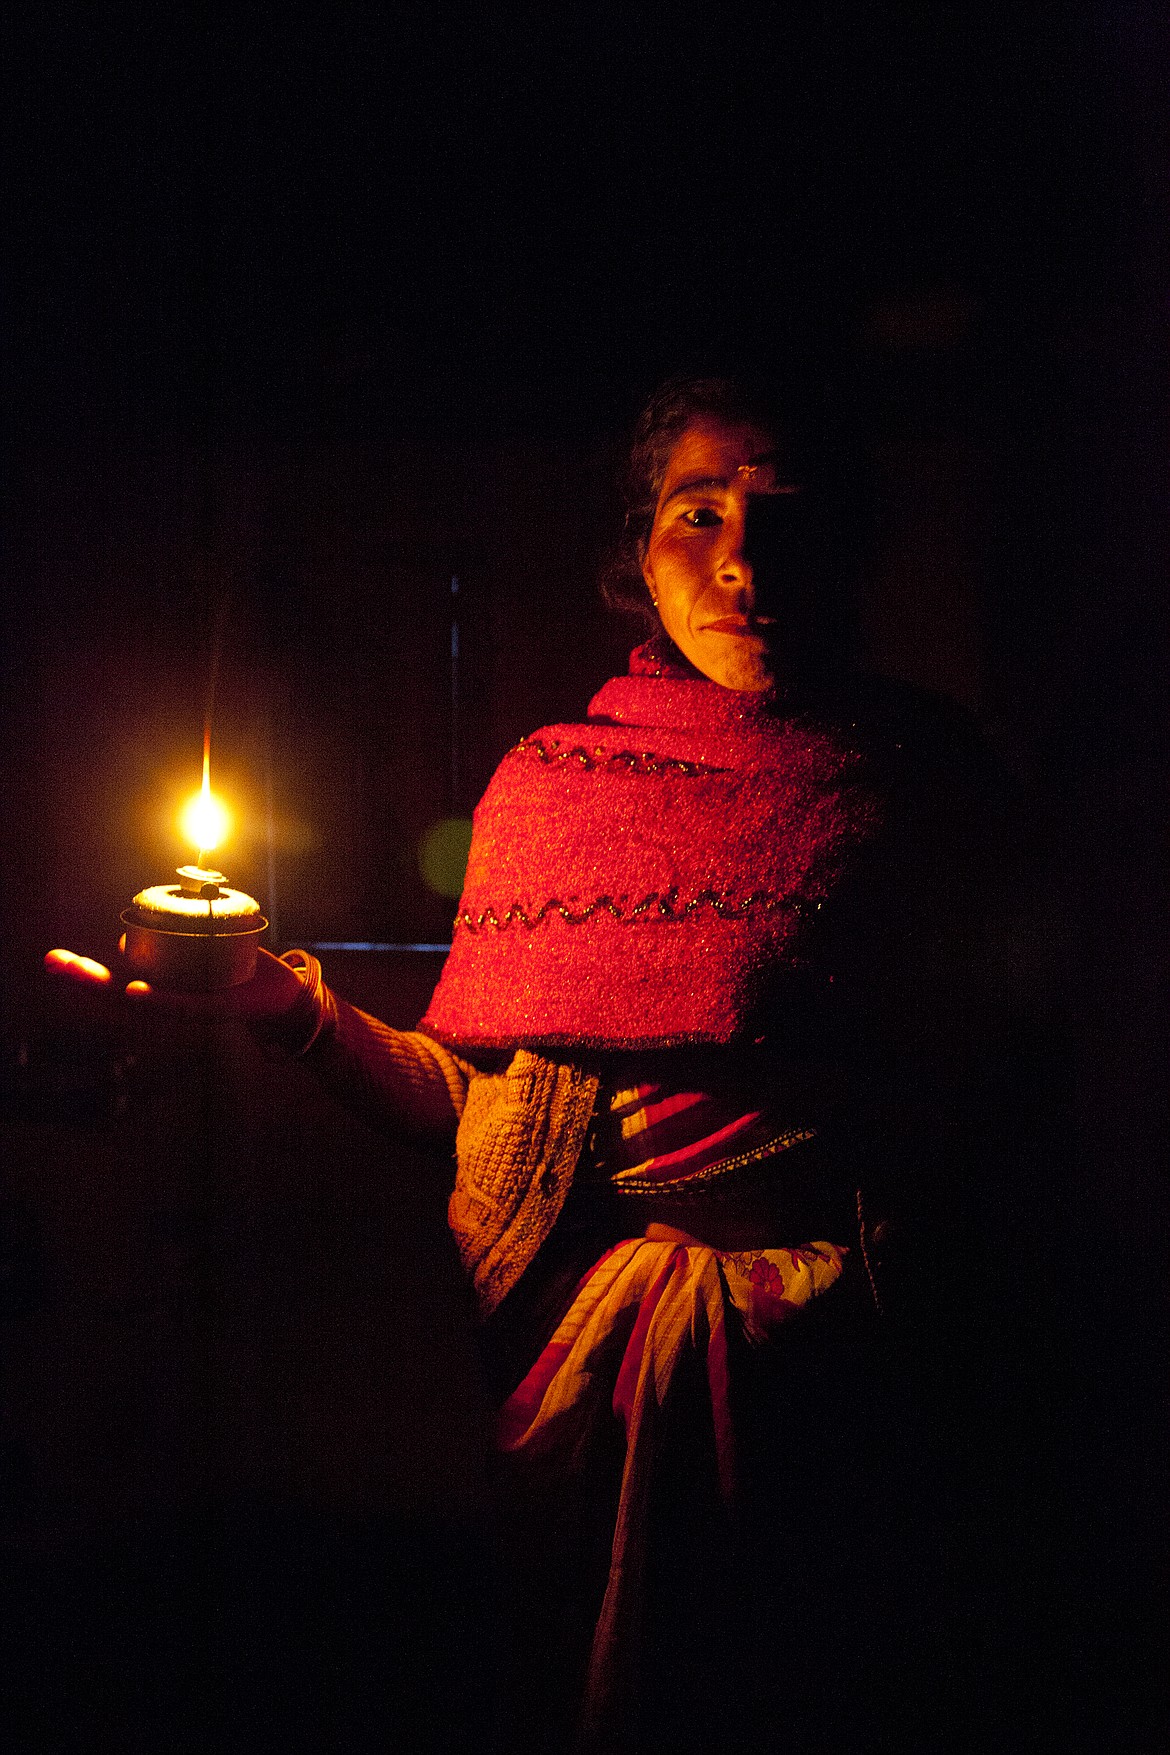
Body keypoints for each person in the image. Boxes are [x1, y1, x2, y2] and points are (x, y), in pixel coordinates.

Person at [49, 377, 1003, 1753]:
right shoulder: (559, 789)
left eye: (784, 510)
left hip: (861, 1398)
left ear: (853, 537)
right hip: (599, 1378)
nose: (742, 554)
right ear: (638, 545)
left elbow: (1014, 1114)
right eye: (697, 510)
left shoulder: (937, 787)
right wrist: (278, 1004)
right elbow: (501, 1126)